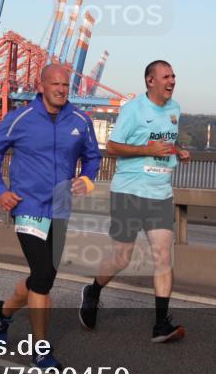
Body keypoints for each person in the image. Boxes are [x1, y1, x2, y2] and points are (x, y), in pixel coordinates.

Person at [0, 64, 101, 370]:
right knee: (44, 278)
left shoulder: (80, 120)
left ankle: (2, 314)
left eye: (66, 84)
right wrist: (0, 189)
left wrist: (87, 180)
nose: (61, 89)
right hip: (28, 206)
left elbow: (93, 157)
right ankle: (41, 351)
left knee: (40, 277)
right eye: (55, 84)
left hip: (60, 208)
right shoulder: (20, 118)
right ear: (42, 85)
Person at [79, 60, 190, 343]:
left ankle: (160, 325)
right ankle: (93, 291)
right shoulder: (133, 109)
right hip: (129, 192)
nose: (172, 80)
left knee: (164, 257)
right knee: (122, 258)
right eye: (166, 76)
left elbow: (163, 143)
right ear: (150, 81)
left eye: (174, 76)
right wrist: (146, 149)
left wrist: (178, 151)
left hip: (160, 193)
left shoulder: (175, 109)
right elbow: (113, 146)